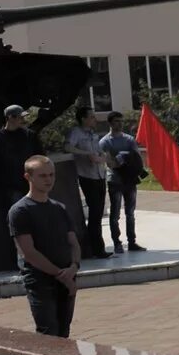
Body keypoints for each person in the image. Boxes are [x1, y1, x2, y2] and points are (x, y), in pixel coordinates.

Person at [8, 155, 79, 336]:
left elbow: (73, 242)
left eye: (51, 175)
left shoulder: (59, 208)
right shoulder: (20, 211)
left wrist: (73, 267)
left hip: (67, 277)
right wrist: (60, 274)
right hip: (41, 281)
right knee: (48, 333)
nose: (49, 180)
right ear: (28, 177)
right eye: (42, 176)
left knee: (64, 331)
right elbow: (29, 252)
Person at [97, 111, 145, 254]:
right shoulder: (105, 142)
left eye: (121, 121)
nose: (120, 123)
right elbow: (111, 163)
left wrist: (121, 159)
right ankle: (117, 243)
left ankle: (132, 242)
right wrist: (121, 159)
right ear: (110, 123)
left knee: (130, 213)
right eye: (117, 121)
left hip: (130, 179)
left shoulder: (129, 139)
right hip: (115, 180)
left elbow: (137, 159)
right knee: (115, 214)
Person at [66, 105, 109, 258]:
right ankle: (97, 249)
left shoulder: (93, 134)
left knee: (99, 213)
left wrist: (102, 157)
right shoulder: (76, 133)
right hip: (87, 176)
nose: (94, 119)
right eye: (91, 116)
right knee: (95, 212)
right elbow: (68, 147)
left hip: (99, 175)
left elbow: (98, 151)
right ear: (83, 118)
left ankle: (97, 248)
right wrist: (86, 154)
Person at [0, 104, 42, 219]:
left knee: (38, 217)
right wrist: (2, 185)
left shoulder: (29, 135)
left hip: (31, 184)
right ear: (10, 118)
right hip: (11, 188)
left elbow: (40, 157)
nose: (23, 120)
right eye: (20, 117)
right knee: (19, 218)